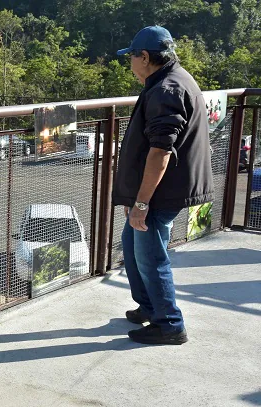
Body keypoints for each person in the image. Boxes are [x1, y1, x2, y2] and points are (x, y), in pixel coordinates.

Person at [113, 26, 214, 345]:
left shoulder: (166, 89)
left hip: (161, 192)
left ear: (144, 57)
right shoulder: (173, 79)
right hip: (161, 188)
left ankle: (169, 324)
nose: (129, 62)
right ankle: (149, 305)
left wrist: (141, 202)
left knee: (150, 256)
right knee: (131, 244)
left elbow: (160, 151)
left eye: (131, 56)